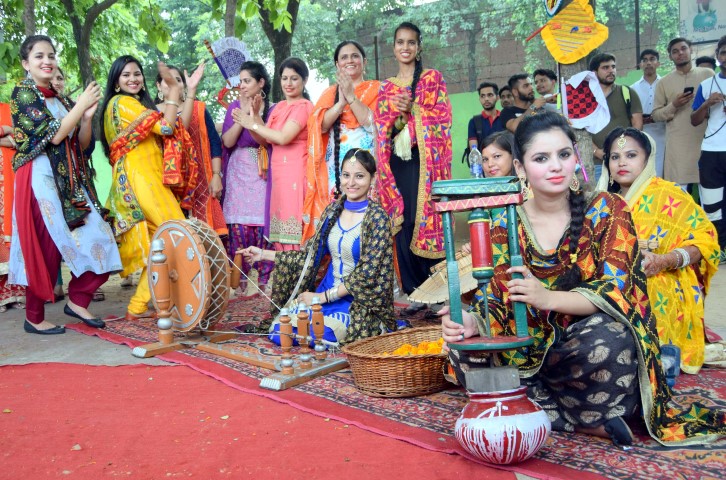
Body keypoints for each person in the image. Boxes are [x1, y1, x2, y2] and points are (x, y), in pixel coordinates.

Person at [441, 111, 725, 447]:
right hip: (527, 344)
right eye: (541, 158)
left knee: (612, 340)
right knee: (461, 351)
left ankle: (528, 405)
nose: (556, 166)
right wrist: (474, 320)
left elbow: (618, 291)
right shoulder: (505, 222)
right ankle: (577, 418)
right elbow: (498, 298)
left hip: (582, 347)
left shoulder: (606, 208)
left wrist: (547, 298)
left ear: (576, 156)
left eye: (563, 155)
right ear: (520, 169)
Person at [9, 35, 121, 334]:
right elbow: (54, 137)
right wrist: (80, 105)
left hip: (70, 183)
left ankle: (78, 299)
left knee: (102, 235)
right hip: (39, 179)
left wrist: (85, 118)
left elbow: (82, 146)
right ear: (26, 64)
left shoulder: (59, 99)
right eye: (38, 56)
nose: (47, 61)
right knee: (45, 247)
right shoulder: (23, 93)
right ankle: (34, 317)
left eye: (51, 55)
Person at [241, 149, 395, 345]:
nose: (352, 183)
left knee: (319, 335)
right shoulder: (332, 211)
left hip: (356, 302)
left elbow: (367, 275)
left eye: (359, 176)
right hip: (322, 294)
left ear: (372, 179)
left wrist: (322, 297)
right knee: (280, 331)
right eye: (346, 176)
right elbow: (310, 256)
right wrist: (263, 254)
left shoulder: (377, 218)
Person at [597, 127, 719, 373]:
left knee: (646, 287)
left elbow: (705, 240)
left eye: (631, 155)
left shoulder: (669, 194)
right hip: (610, 276)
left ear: (647, 158)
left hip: (662, 275)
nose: (622, 163)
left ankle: (652, 356)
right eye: (615, 157)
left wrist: (664, 260)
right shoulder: (602, 201)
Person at [101, 56, 194, 320]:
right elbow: (166, 127)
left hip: (147, 179)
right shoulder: (122, 103)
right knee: (177, 233)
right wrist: (175, 93)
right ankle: (176, 300)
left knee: (161, 245)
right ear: (116, 83)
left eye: (137, 74)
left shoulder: (130, 104)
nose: (133, 79)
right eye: (126, 75)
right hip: (142, 181)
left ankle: (138, 306)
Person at [375, 21, 452, 314]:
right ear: (394, 48)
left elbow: (442, 118)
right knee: (403, 223)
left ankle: (439, 292)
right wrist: (398, 113)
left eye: (410, 42)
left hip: (426, 162)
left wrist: (413, 110)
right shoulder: (387, 88)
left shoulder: (432, 79)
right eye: (400, 42)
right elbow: (385, 131)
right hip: (397, 163)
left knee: (427, 220)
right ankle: (415, 292)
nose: (405, 47)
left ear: (419, 47)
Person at [234, 57, 314, 251]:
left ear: (304, 81)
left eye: (294, 78)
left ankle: (299, 275)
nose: (288, 83)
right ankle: (285, 274)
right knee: (280, 233)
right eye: (284, 78)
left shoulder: (304, 107)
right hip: (278, 176)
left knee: (295, 233)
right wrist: (256, 118)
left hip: (295, 174)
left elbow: (284, 137)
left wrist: (250, 123)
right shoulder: (279, 108)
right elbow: (264, 140)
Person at [303, 41, 379, 244]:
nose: (349, 60)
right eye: (344, 57)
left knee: (365, 217)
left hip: (367, 162)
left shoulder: (377, 89)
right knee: (337, 216)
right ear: (337, 65)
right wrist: (340, 103)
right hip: (335, 168)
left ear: (364, 61)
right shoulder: (330, 93)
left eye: (354, 56)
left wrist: (352, 97)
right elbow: (320, 127)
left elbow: (373, 124)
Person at [221, 61, 275, 295]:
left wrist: (254, 118)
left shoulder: (272, 109)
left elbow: (265, 140)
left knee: (262, 225)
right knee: (239, 227)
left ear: (260, 82)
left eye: (247, 81)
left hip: (262, 169)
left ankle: (263, 283)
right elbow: (228, 142)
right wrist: (242, 118)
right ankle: (239, 282)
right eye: (240, 81)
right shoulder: (233, 106)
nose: (242, 86)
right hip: (239, 170)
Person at [155, 64, 226, 236]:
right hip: (168, 183)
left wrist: (216, 175)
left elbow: (214, 142)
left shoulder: (198, 109)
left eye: (178, 80)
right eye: (168, 80)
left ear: (184, 86)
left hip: (202, 184)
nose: (173, 84)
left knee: (208, 241)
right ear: (158, 85)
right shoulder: (151, 112)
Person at [652, 37, 714, 190]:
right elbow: (656, 115)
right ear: (670, 57)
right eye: (675, 51)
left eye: (683, 49)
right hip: (678, 146)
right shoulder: (664, 82)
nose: (680, 53)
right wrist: (674, 105)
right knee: (679, 200)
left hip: (706, 141)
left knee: (710, 196)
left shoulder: (708, 74)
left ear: (690, 49)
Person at [692, 35, 726, 262]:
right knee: (712, 203)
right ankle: (720, 247)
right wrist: (707, 103)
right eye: (724, 52)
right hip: (712, 151)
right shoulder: (706, 85)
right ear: (718, 56)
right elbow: (694, 120)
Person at [589, 53, 643, 180]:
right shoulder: (586, 99)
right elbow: (580, 131)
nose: (611, 71)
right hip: (596, 164)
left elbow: (638, 125)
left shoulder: (627, 92)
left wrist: (626, 151)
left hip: (625, 162)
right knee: (599, 199)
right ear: (594, 73)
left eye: (613, 67)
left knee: (627, 198)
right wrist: (597, 152)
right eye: (605, 67)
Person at [0, 102, 26, 311]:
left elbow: (24, 137)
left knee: (11, 227)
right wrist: (6, 131)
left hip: (9, 178)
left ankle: (14, 293)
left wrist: (10, 136)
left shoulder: (10, 108)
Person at [631, 49, 666, 177]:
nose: (648, 63)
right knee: (643, 169)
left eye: (652, 59)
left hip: (663, 132)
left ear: (658, 63)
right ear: (640, 65)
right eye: (644, 60)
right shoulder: (633, 88)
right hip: (642, 133)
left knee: (661, 169)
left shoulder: (665, 84)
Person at [465, 82, 504, 152]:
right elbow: (474, 151)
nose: (486, 99)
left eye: (490, 95)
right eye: (482, 96)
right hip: (483, 161)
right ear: (479, 99)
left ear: (497, 97)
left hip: (503, 161)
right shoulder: (474, 122)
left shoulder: (505, 118)